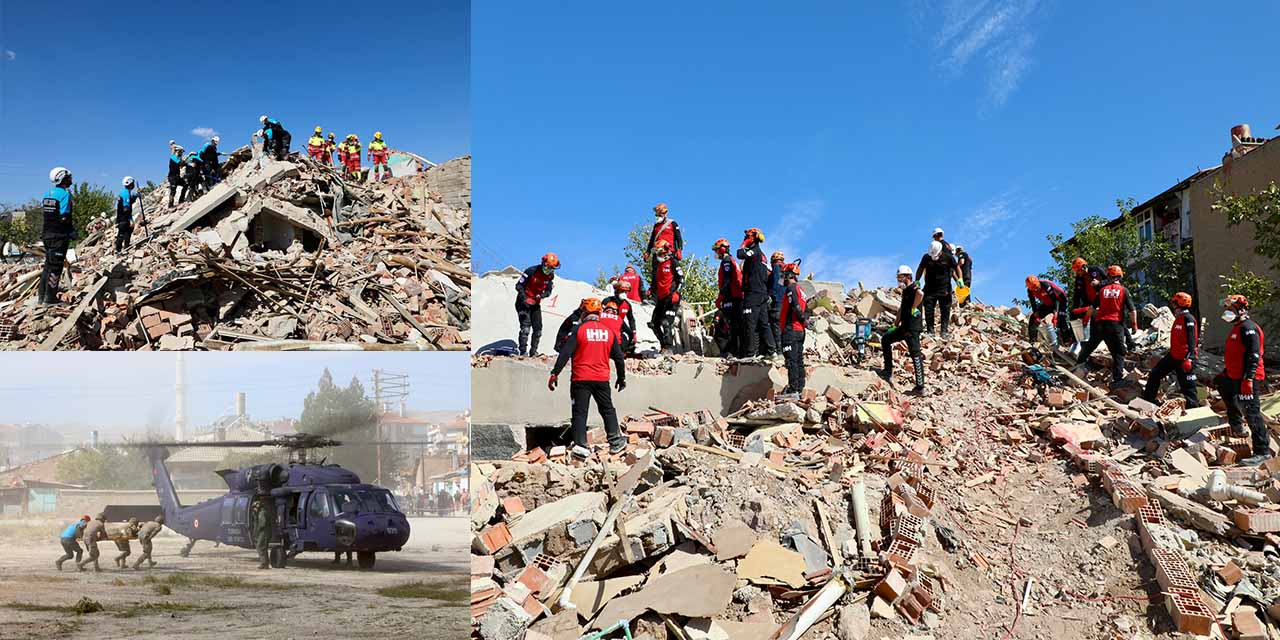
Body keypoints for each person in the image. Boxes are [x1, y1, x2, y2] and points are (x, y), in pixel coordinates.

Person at [549, 298, 628, 458]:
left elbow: (565, 353)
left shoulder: (579, 330)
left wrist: (554, 373)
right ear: (600, 313)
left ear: (584, 312)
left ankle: (580, 445)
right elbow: (619, 357)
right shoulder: (608, 332)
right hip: (601, 379)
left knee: (579, 412)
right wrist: (621, 377)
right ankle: (615, 442)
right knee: (607, 409)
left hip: (580, 379)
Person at [1217, 295, 1270, 465]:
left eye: (1231, 310)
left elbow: (1253, 355)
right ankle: (1237, 426)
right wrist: (1225, 373)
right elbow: (1236, 354)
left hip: (1247, 377)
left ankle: (1262, 452)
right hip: (1234, 375)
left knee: (1252, 414)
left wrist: (1248, 378)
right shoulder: (1237, 327)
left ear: (1241, 310)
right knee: (1224, 388)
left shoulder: (1248, 328)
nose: (1228, 313)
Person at [1075, 265, 1135, 384]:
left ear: (1108, 276)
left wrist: (1086, 318)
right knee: (1118, 352)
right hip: (1114, 325)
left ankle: (1077, 365)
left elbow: (1092, 308)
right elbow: (1132, 311)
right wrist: (1134, 325)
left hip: (1100, 323)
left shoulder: (1102, 290)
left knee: (1090, 346)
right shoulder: (1123, 290)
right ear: (1120, 276)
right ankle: (1118, 379)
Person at [1142, 292, 1200, 407]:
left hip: (1184, 358)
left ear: (1179, 303)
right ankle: (1148, 400)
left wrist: (1190, 358)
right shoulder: (1179, 318)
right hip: (1173, 355)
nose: (1172, 305)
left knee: (1188, 386)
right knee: (1155, 374)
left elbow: (1192, 339)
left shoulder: (1188, 319)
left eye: (1174, 302)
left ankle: (1194, 409)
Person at [877, 265, 926, 394]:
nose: (899, 280)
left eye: (901, 277)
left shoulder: (914, 287)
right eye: (898, 277)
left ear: (908, 276)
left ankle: (920, 387)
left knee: (915, 354)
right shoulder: (905, 291)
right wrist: (895, 324)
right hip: (904, 326)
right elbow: (901, 309)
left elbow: (921, 294)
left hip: (912, 327)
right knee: (886, 339)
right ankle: (887, 371)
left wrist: (915, 307)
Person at [737, 227, 776, 357]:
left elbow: (740, 254)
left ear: (752, 237)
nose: (744, 239)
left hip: (753, 293)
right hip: (762, 294)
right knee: (763, 324)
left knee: (750, 323)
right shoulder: (763, 255)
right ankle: (771, 352)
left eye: (747, 237)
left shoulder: (754, 252)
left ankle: (750, 354)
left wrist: (744, 244)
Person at [39, 167, 75, 305]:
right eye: (69, 177)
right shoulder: (64, 194)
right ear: (63, 178)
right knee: (56, 268)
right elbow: (64, 217)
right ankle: (50, 299)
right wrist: (70, 231)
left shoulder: (48, 193)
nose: (71, 179)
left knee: (48, 265)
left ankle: (41, 297)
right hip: (58, 236)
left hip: (47, 234)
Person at [515, 253, 559, 356]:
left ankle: (533, 352)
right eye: (548, 267)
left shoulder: (550, 276)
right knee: (525, 328)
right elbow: (518, 286)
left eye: (552, 268)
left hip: (535, 304)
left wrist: (542, 296)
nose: (549, 270)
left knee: (538, 330)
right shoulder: (530, 271)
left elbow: (548, 291)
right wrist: (525, 298)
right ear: (543, 263)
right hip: (522, 303)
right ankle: (523, 352)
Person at [915, 240, 962, 337]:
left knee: (945, 310)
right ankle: (930, 331)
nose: (934, 258)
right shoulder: (926, 257)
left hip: (944, 289)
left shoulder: (948, 258)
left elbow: (957, 267)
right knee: (929, 310)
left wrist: (959, 279)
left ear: (940, 251)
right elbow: (920, 269)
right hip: (929, 288)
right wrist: (917, 280)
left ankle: (944, 331)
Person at [778, 262, 809, 394]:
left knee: (791, 360)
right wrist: (804, 321)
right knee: (798, 359)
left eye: (784, 275)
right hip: (800, 330)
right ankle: (800, 386)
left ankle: (793, 389)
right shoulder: (802, 291)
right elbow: (806, 310)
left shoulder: (791, 288)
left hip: (791, 329)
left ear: (789, 275)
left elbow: (795, 306)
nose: (782, 278)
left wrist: (801, 318)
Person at [650, 240, 684, 353]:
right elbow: (656, 281)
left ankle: (669, 348)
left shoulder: (673, 262)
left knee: (666, 322)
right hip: (661, 299)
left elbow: (681, 280)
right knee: (654, 323)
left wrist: (675, 293)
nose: (657, 255)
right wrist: (651, 290)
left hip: (671, 298)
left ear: (665, 250)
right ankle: (663, 346)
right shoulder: (658, 265)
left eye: (659, 252)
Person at [713, 238, 744, 358]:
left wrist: (721, 297)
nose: (716, 254)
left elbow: (727, 280)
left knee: (730, 326)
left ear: (722, 249)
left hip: (731, 296)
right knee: (735, 325)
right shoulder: (731, 260)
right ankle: (735, 351)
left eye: (717, 250)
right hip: (736, 296)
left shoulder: (726, 261)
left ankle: (731, 352)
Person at [1025, 276, 1072, 347]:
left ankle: (1067, 341)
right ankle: (1032, 341)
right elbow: (1033, 304)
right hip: (1048, 303)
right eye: (1033, 289)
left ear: (1038, 283)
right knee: (1033, 318)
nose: (1036, 290)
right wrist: (1037, 315)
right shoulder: (1030, 291)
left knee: (1060, 317)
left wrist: (1055, 314)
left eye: (1036, 287)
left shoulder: (1045, 285)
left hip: (1060, 300)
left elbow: (1056, 299)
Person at [1069, 257, 1105, 342]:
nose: (1078, 273)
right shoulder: (1079, 278)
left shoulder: (1095, 270)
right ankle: (1075, 340)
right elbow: (1076, 294)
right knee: (1073, 314)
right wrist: (1075, 309)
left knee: (1096, 320)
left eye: (1078, 270)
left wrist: (1099, 283)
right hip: (1088, 303)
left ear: (1084, 267)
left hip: (1101, 301)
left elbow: (1109, 281)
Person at [603, 280, 638, 354]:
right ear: (617, 291)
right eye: (622, 291)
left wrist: (634, 332)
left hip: (620, 328)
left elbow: (631, 319)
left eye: (626, 292)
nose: (624, 294)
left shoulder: (627, 305)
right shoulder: (607, 301)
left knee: (628, 340)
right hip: (605, 328)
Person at [115, 176, 140, 253]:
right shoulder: (126, 194)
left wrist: (135, 195)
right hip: (124, 218)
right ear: (130, 183)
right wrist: (129, 219)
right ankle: (118, 250)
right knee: (122, 233)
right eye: (133, 183)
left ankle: (126, 247)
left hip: (122, 217)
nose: (134, 185)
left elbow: (129, 202)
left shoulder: (125, 192)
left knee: (128, 231)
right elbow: (126, 208)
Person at [253, 496, 275, 569]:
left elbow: (262, 524)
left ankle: (264, 563)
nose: (254, 509)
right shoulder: (262, 512)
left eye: (255, 507)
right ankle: (265, 563)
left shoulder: (262, 513)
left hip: (264, 532)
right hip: (265, 531)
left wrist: (257, 530)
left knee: (260, 546)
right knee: (263, 547)